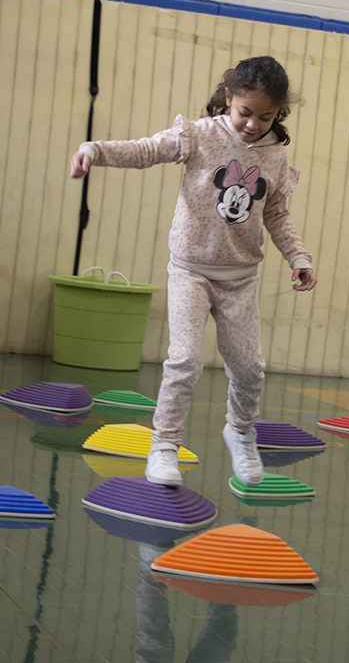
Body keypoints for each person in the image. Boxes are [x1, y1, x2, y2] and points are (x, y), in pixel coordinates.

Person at [70, 55, 317, 488]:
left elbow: (276, 214)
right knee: (184, 360)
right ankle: (164, 444)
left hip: (240, 278)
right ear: (228, 98)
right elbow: (146, 150)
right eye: (245, 112)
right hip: (190, 270)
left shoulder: (276, 156)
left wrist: (299, 257)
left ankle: (240, 430)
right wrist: (95, 150)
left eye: (266, 116)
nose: (253, 124)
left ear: (279, 113)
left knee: (249, 369)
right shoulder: (199, 136)